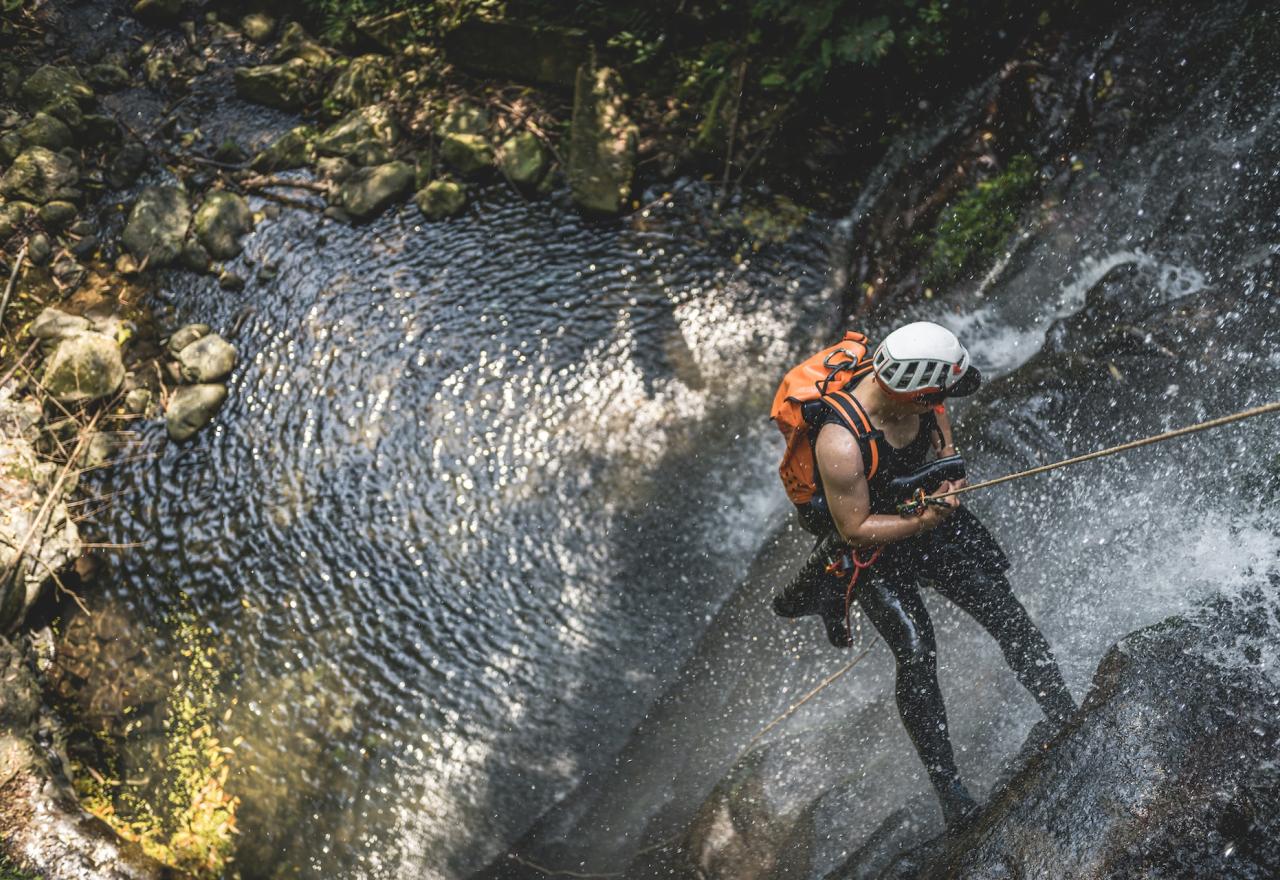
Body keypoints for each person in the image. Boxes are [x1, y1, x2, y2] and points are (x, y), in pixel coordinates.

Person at [772, 321, 1076, 831]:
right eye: (936, 395)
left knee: (1005, 610)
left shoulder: (925, 397)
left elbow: (944, 450)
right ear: (909, 391)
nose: (942, 402)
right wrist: (924, 520)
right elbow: (855, 528)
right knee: (916, 651)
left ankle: (1064, 710)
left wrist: (950, 481)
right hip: (874, 547)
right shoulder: (840, 441)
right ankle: (949, 789)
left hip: (923, 519)